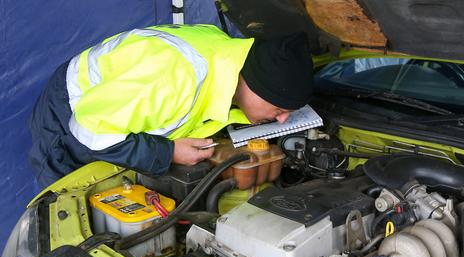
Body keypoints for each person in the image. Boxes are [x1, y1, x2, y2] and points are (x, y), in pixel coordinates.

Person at [28, 24, 313, 187]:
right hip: (70, 113)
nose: (282, 120)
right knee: (70, 199)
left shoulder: (231, 62)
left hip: (125, 107)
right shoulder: (173, 76)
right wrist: (169, 152)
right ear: (255, 85)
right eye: (278, 109)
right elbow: (90, 129)